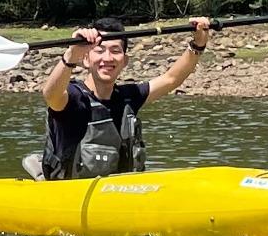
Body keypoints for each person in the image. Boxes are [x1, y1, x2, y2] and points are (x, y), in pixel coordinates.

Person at [30, 16, 214, 180]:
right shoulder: (74, 99)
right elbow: (51, 95)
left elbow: (171, 79)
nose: (107, 58)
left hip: (117, 195)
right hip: (70, 197)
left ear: (125, 61)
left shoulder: (128, 97)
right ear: (85, 59)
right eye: (99, 50)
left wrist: (197, 45)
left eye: (115, 51)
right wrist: (71, 54)